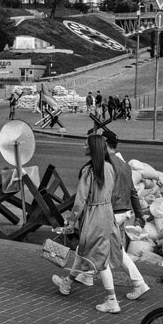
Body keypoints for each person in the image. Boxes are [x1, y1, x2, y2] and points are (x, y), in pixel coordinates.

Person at [52, 134, 122, 314]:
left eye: (85, 144)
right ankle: (67, 283)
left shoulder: (89, 171)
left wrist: (71, 220)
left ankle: (112, 299)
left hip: (93, 215)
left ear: (93, 149)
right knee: (85, 253)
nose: (83, 147)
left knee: (99, 259)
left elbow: (80, 200)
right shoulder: (109, 167)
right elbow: (113, 193)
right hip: (107, 214)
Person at [103, 132, 149, 300]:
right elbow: (133, 192)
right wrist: (139, 214)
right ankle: (78, 277)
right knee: (105, 247)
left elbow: (104, 193)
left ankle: (138, 283)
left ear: (105, 143)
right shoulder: (124, 165)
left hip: (111, 213)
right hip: (123, 212)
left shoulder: (106, 164)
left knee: (106, 249)